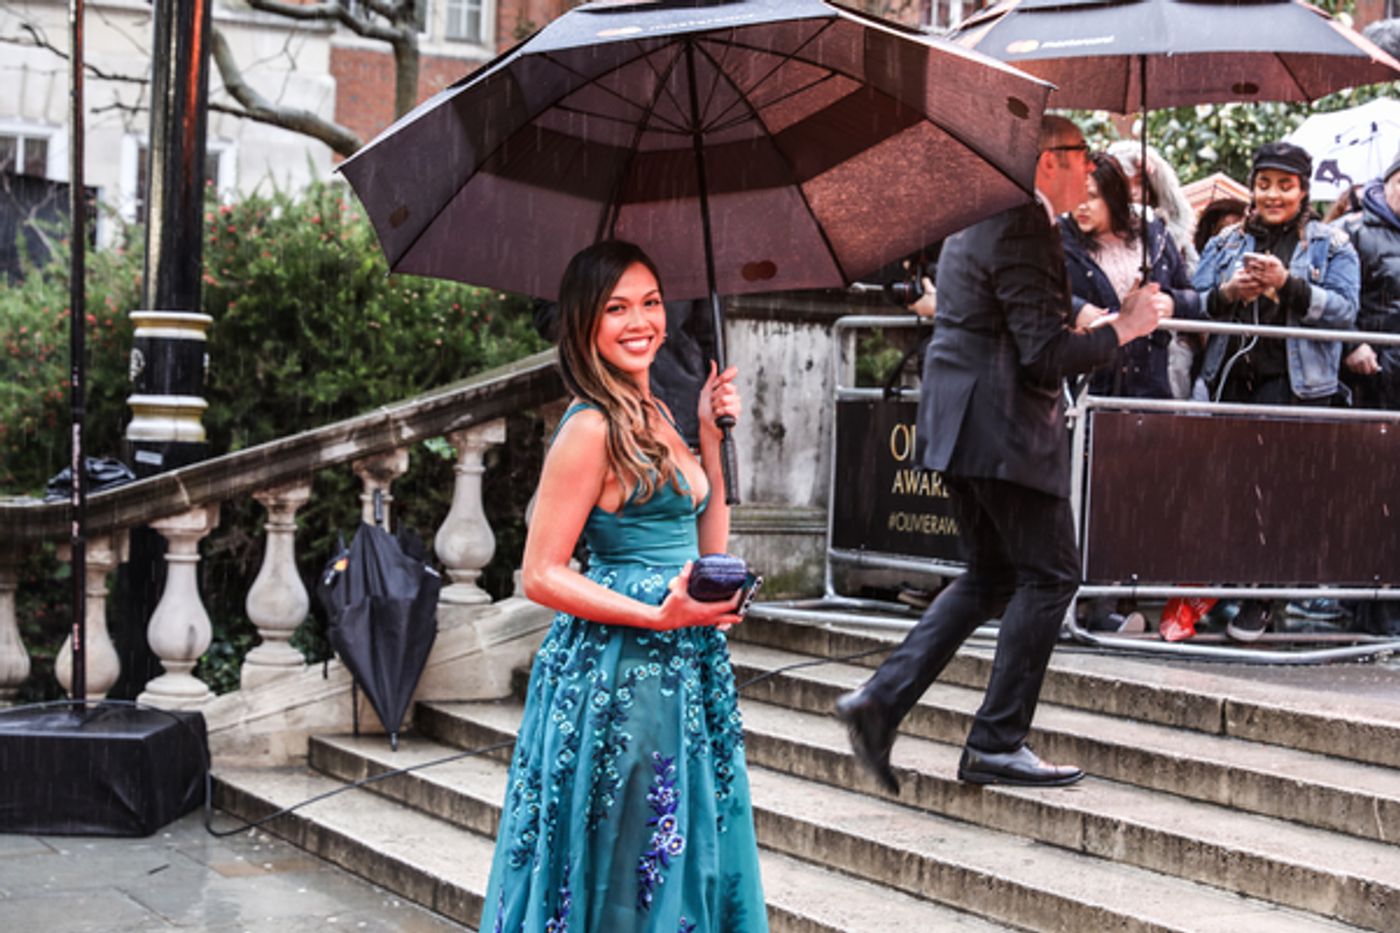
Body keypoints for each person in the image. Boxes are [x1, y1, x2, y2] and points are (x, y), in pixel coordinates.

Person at [834, 116, 1170, 791]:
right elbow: (1043, 356)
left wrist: (1085, 314)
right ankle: (996, 738)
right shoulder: (1024, 223)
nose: (1093, 169)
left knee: (992, 575)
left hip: (964, 429)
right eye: (1083, 155)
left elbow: (1010, 319)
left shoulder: (982, 215)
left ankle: (880, 701)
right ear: (1049, 161)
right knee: (1050, 576)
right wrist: (1127, 329)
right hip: (1004, 432)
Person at [484, 241, 767, 932]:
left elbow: (709, 543)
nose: (640, 320)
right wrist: (657, 616)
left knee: (682, 852)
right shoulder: (589, 425)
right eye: (617, 308)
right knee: (627, 859)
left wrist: (709, 435)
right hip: (617, 676)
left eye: (650, 302)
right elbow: (541, 572)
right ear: (585, 324)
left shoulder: (661, 415)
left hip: (687, 667)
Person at [1191, 141, 1360, 642]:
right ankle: (1218, 586)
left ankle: (1261, 596)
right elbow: (1193, 303)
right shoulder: (1224, 243)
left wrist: (1289, 286)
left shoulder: (1332, 245)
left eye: (1284, 185)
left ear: (1303, 190)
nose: (1272, 194)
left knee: (1278, 492)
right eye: (1264, 183)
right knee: (1228, 489)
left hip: (1296, 387)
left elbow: (1347, 311)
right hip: (1229, 382)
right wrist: (1228, 295)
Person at [1062, 151, 1202, 399]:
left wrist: (1171, 302)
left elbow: (1193, 298)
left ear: (1114, 196)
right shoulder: (1059, 239)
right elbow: (1035, 294)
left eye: (1092, 196)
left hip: (1151, 385)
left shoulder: (1154, 235)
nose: (1080, 205)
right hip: (1088, 387)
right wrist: (1076, 309)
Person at [1334, 157, 1400, 636]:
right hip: (1372, 380)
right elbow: (1333, 299)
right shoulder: (1352, 231)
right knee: (1371, 493)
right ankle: (1370, 608)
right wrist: (1351, 343)